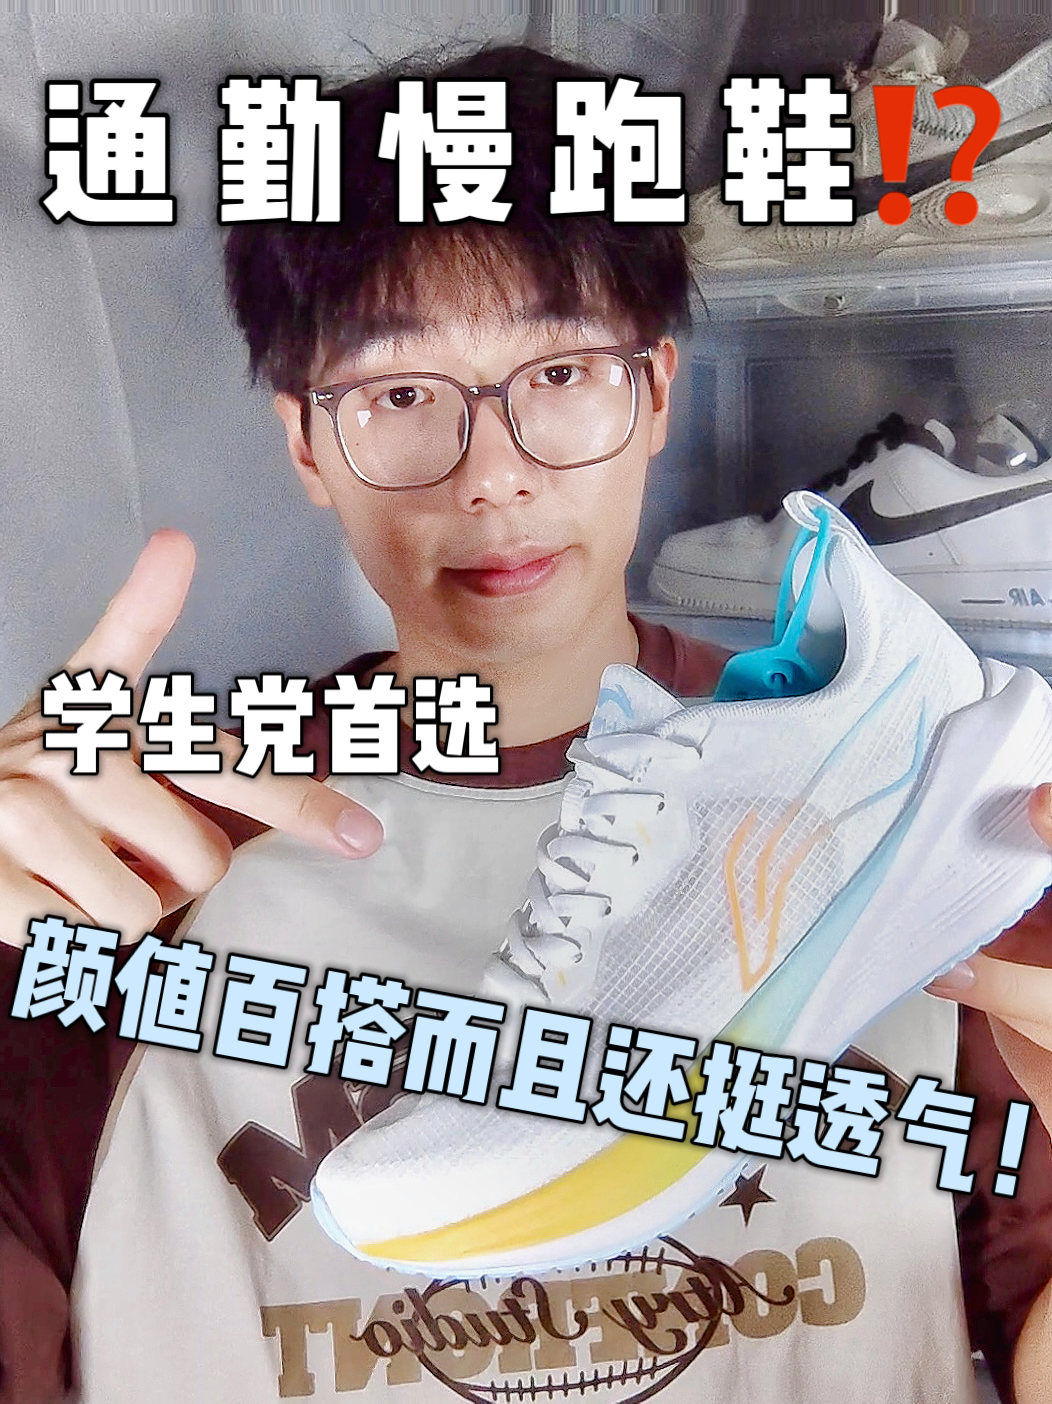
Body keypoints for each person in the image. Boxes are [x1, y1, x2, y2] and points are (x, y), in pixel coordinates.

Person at [0, 42, 1051, 1404]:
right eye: (400, 395)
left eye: (558, 375)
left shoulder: (899, 814)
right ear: (308, 444)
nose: (492, 475)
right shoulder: (126, 866)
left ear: (654, 392)